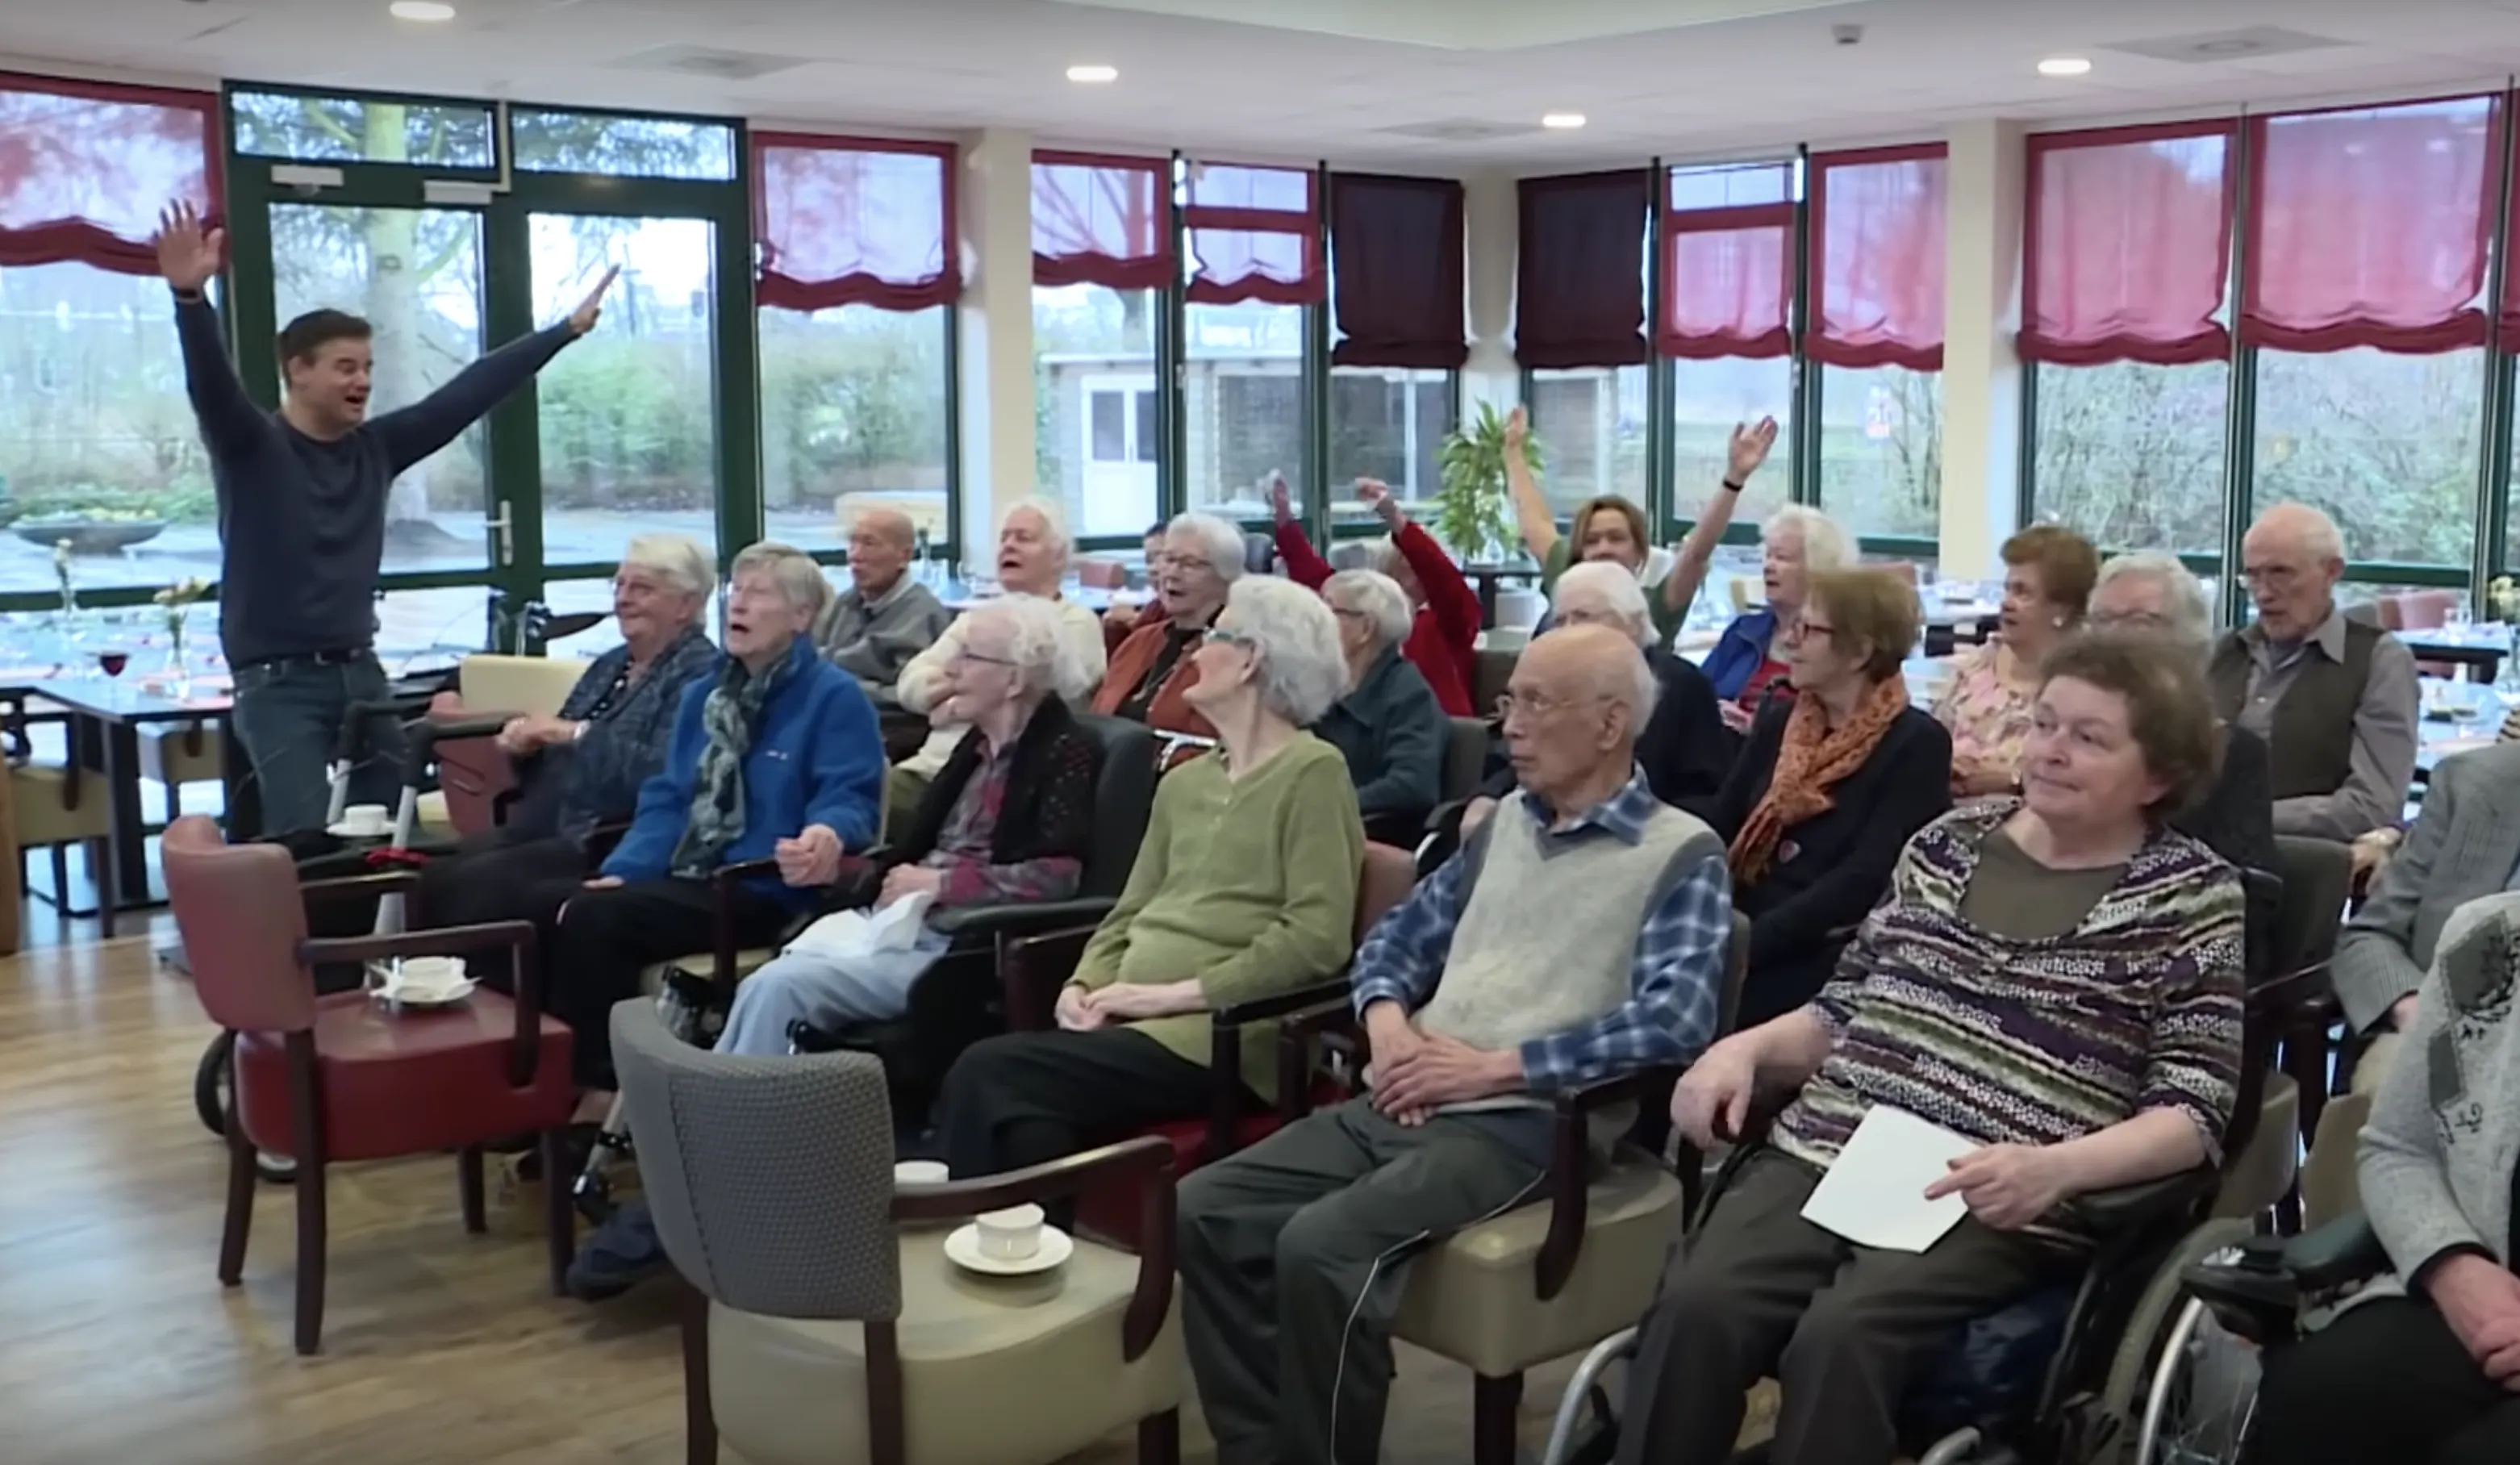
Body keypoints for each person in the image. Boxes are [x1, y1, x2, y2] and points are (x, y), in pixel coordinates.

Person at [1614, 632, 2246, 1465]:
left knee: (1841, 1337)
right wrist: (1738, 1051)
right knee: (1698, 1304)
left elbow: (2193, 1112)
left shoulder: (2192, 898)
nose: (2050, 751)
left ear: (2159, 776)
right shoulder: (1944, 844)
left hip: (1994, 1181)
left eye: (2088, 738)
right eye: (2045, 722)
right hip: (1836, 1149)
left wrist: (2054, 1169)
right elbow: (1840, 1008)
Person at [1177, 624, 1735, 1465]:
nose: (1508, 723)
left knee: (1320, 1245)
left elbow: (1675, 1020)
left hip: (1527, 1121)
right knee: (1204, 1206)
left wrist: (1494, 1067)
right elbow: (1399, 937)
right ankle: (1262, 1446)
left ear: (1611, 724)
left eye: (1536, 703)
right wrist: (1388, 1021)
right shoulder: (1507, 820)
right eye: (1510, 700)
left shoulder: (1681, 852)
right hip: (1413, 1084)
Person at [153, 200, 617, 837]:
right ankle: (296, 935)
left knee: (391, 833)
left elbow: (468, 392)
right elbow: (211, 385)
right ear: (298, 371)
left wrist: (563, 331)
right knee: (306, 837)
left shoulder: (376, 449)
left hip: (361, 674)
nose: (363, 381)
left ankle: (396, 939)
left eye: (368, 368)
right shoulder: (252, 448)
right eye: (346, 367)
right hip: (277, 683)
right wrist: (189, 298)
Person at [933, 577, 1364, 1187]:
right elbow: (1129, 910)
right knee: (1027, 1111)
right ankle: (1040, 1256)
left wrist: (1167, 996)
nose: (1195, 649)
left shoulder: (1313, 771)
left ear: (1251, 660)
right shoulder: (1186, 782)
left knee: (989, 1069)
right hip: (1134, 1021)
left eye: (1215, 634)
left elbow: (1316, 937)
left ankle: (971, 1241)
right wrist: (1084, 983)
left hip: (1227, 1033)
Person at [544, 541, 885, 1106]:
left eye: (759, 594)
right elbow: (670, 798)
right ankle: (547, 1081)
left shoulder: (834, 697)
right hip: (691, 872)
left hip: (760, 888)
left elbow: (850, 796)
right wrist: (627, 868)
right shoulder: (706, 693)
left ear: (802, 617)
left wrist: (826, 833)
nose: (739, 605)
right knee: (559, 904)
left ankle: (601, 1093)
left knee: (593, 921)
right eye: (736, 592)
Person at [2244, 899, 2520, 1465]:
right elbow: (2400, 1148)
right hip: (2484, 1291)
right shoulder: (2489, 941)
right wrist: (2456, 1270)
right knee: (2318, 1394)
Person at [415, 533, 722, 933]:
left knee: (475, 887)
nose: (623, 599)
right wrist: (525, 748)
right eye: (620, 585)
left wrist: (575, 734)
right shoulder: (612, 665)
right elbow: (556, 752)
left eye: (642, 589)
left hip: (607, 837)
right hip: (550, 822)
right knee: (434, 875)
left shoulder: (701, 674)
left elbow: (659, 773)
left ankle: (492, 993)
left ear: (687, 605)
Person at [1713, 568, 1953, 1027]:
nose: (1789, 642)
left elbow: (1863, 879)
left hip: (1822, 946)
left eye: (1809, 630)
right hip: (1738, 920)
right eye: (1793, 627)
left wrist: (1746, 945)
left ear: (1861, 650)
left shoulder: (1916, 743)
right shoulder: (1782, 720)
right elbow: (1720, 823)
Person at [2313, 740, 2520, 1218]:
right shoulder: (2470, 784)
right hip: (2436, 1026)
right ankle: (2347, 1280)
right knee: (2387, 1101)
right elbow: (2367, 937)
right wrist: (2421, 1014)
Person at [1458, 561, 1729, 841]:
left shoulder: (1681, 684)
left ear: (1633, 625)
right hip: (1533, 825)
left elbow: (1705, 794)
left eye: (1583, 617)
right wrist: (1485, 797)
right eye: (1560, 621)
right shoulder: (1542, 681)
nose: (1568, 630)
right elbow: (1507, 760)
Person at [888, 498, 1107, 828]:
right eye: (1005, 538)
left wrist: (949, 705)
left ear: (1058, 556)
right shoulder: (980, 619)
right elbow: (909, 684)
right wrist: (969, 691)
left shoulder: (1075, 623)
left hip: (995, 779)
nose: (1009, 546)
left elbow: (1039, 698)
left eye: (1024, 538)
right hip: (929, 767)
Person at [2211, 503, 2418, 841]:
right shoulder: (2225, 652)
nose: (2262, 593)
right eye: (2252, 575)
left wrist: (2249, 815)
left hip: (2302, 864)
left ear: (2331, 572)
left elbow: (2374, 806)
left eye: (2280, 573)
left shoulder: (2379, 661)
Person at [2085, 552, 2278, 908]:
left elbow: (2247, 895)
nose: (2112, 637)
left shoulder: (2228, 750)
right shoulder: (2063, 736)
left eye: (2139, 620)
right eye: (2102, 619)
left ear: (2189, 638)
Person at [1270, 474, 1481, 716]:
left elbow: (1442, 578)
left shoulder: (1449, 621)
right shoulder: (1365, 610)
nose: (1410, 569)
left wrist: (1394, 518)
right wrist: (1285, 520)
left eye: (1414, 561)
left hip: (1435, 729)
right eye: (1400, 562)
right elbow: (1322, 582)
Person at [1932, 524, 2100, 799]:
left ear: (2062, 609)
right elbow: (1933, 744)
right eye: (2007, 589)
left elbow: (2090, 779)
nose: (2006, 603)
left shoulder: (2087, 686)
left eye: (2023, 593)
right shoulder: (1976, 666)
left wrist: (2013, 782)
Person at [1503, 405, 1687, 645]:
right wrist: (1513, 450)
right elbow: (1534, 522)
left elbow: (1697, 555)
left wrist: (1733, 481)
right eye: (1591, 541)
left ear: (1639, 549)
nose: (1603, 549)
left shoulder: (1655, 605)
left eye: (1617, 538)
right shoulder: (1566, 578)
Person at [1312, 570, 1447, 845]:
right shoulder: (1321, 684)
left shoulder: (1408, 693)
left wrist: (1333, 804)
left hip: (1365, 837)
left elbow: (1413, 785)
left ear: (1366, 629)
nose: (1314, 623)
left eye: (1328, 610)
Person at [1094, 511, 1244, 749]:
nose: (1172, 573)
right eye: (1168, 559)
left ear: (1226, 576)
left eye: (1189, 564)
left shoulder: (1234, 654)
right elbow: (1098, 719)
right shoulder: (1139, 641)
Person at [813, 505, 951, 703]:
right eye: (852, 543)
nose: (855, 555)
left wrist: (840, 687)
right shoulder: (845, 603)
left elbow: (909, 696)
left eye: (869, 544)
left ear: (904, 556)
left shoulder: (923, 615)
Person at [1101, 519, 1176, 654]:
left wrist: (1135, 622)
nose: (1153, 568)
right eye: (1149, 560)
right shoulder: (1154, 609)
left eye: (1164, 557)